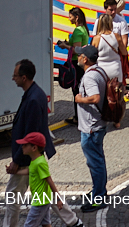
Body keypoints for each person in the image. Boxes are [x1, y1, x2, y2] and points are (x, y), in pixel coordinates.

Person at [6, 59, 81, 227]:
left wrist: (16, 161)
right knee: (44, 193)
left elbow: (30, 134)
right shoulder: (36, 93)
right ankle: (73, 221)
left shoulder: (32, 99)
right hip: (32, 155)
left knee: (13, 197)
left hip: (26, 157)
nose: (13, 78)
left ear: (24, 77)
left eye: (15, 75)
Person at [75, 45, 108, 212]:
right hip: (97, 125)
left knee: (95, 164)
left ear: (85, 59)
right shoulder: (100, 71)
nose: (78, 57)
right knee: (98, 161)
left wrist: (79, 100)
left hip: (91, 127)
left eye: (80, 55)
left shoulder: (89, 77)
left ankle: (99, 197)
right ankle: (99, 191)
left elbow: (95, 97)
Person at [16, 131, 63, 227]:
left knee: (29, 225)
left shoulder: (40, 163)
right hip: (43, 199)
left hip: (40, 201)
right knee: (46, 224)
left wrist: (58, 198)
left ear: (34, 148)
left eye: (25, 145)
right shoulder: (35, 161)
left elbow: (49, 180)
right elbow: (30, 171)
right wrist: (15, 172)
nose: (22, 147)